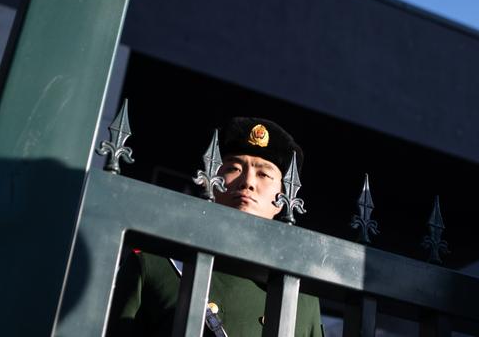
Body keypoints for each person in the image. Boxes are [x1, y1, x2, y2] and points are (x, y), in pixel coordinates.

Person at [108, 117, 324, 336]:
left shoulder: (300, 296)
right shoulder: (157, 265)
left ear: (284, 197)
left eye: (264, 174)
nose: (247, 182)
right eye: (234, 168)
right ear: (211, 178)